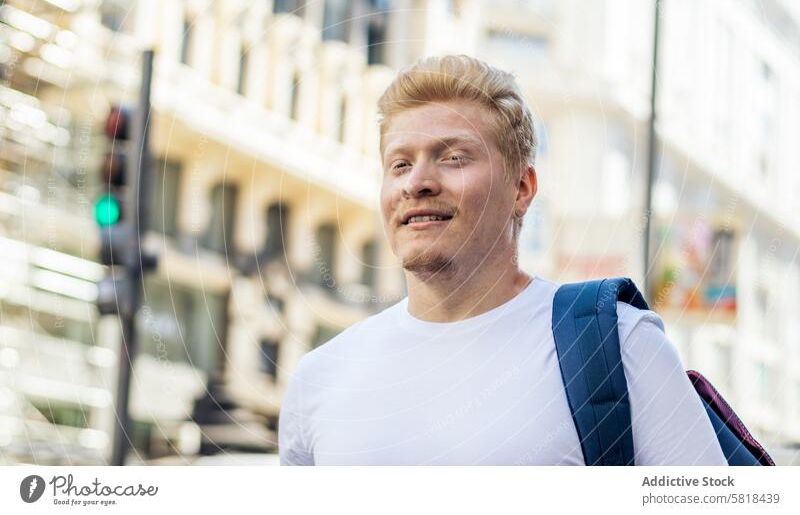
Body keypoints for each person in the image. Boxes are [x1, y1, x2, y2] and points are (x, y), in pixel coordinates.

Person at [278, 55, 726, 466]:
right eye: (399, 165)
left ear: (522, 189)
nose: (416, 182)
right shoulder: (319, 379)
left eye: (453, 158)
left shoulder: (622, 346)